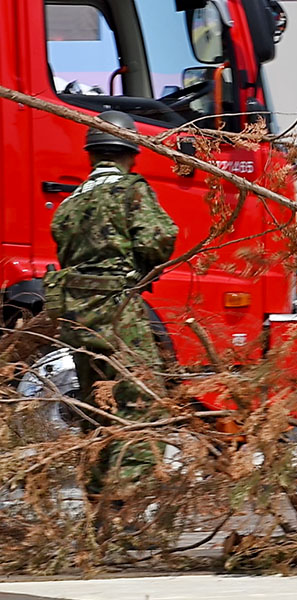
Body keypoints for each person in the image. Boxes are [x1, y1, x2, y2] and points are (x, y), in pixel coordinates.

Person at [45, 110, 178, 490]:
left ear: (91, 154)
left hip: (78, 320)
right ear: (131, 152)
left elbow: (65, 250)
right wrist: (141, 267)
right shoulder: (131, 190)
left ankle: (98, 499)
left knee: (94, 406)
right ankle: (127, 503)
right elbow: (159, 237)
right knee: (140, 402)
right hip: (120, 315)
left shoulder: (69, 202)